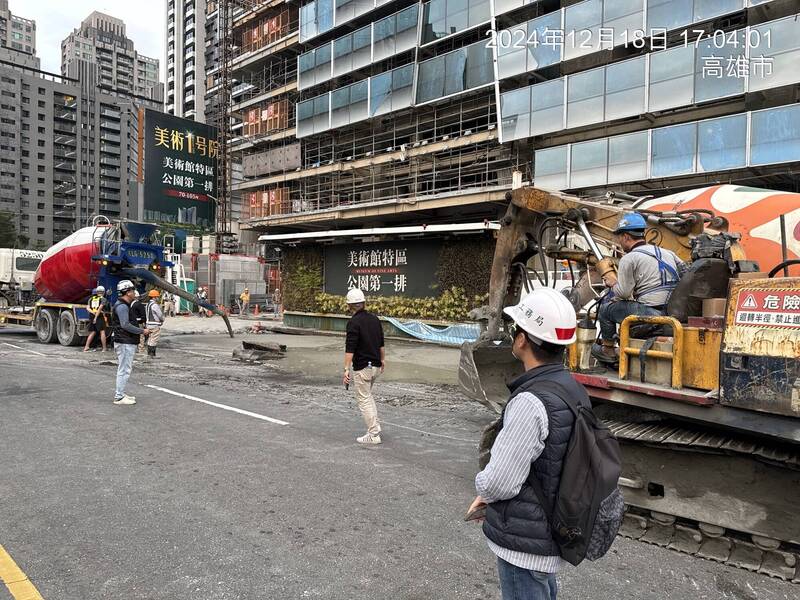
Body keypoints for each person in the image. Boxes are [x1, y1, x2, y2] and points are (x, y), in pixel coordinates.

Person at [466, 288, 583, 600]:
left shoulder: (531, 401)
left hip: (525, 544)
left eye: (516, 329)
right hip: (550, 530)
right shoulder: (571, 388)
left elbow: (500, 482)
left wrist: (482, 487)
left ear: (523, 340)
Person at [591, 212, 686, 364]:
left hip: (653, 312)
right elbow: (685, 271)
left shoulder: (629, 258)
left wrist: (613, 283)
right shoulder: (668, 253)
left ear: (626, 237)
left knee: (605, 308)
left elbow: (623, 293)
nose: (619, 241)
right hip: (673, 311)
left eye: (619, 237)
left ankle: (608, 351)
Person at [342, 288, 384, 445]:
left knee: (364, 399)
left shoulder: (353, 322)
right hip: (375, 367)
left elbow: (350, 348)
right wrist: (383, 360)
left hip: (363, 368)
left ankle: (373, 434)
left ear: (350, 305)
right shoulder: (375, 319)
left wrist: (346, 369)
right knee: (368, 396)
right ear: (364, 303)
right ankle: (375, 428)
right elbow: (381, 343)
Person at [111, 280, 151, 405]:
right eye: (133, 290)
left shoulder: (123, 304)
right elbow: (125, 325)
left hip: (125, 341)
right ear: (127, 292)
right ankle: (119, 396)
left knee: (124, 369)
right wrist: (142, 331)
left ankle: (121, 393)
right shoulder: (122, 306)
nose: (134, 292)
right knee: (124, 369)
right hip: (125, 341)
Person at [83, 285, 109, 352]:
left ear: (97, 292)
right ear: (104, 292)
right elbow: (100, 308)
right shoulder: (103, 299)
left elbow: (87, 308)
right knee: (102, 331)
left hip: (92, 315)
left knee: (93, 332)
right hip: (99, 316)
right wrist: (96, 316)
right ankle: (104, 348)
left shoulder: (91, 299)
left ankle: (86, 346)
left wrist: (93, 313)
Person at [145, 289, 165, 358]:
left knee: (150, 339)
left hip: (148, 324)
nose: (157, 298)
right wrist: (162, 320)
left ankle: (149, 354)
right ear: (154, 297)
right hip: (154, 324)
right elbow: (159, 315)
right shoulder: (154, 305)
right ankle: (152, 355)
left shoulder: (148, 304)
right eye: (157, 296)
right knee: (154, 339)